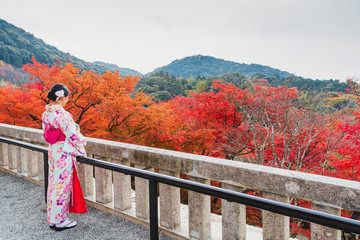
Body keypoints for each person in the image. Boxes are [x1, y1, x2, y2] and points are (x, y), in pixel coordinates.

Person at [42, 83, 87, 231]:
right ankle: (60, 220)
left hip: (53, 151)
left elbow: (48, 133)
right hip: (63, 153)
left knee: (53, 185)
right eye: (66, 98)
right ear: (61, 98)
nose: (67, 100)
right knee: (62, 186)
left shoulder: (46, 113)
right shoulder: (61, 114)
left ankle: (52, 219)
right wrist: (82, 143)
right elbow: (72, 133)